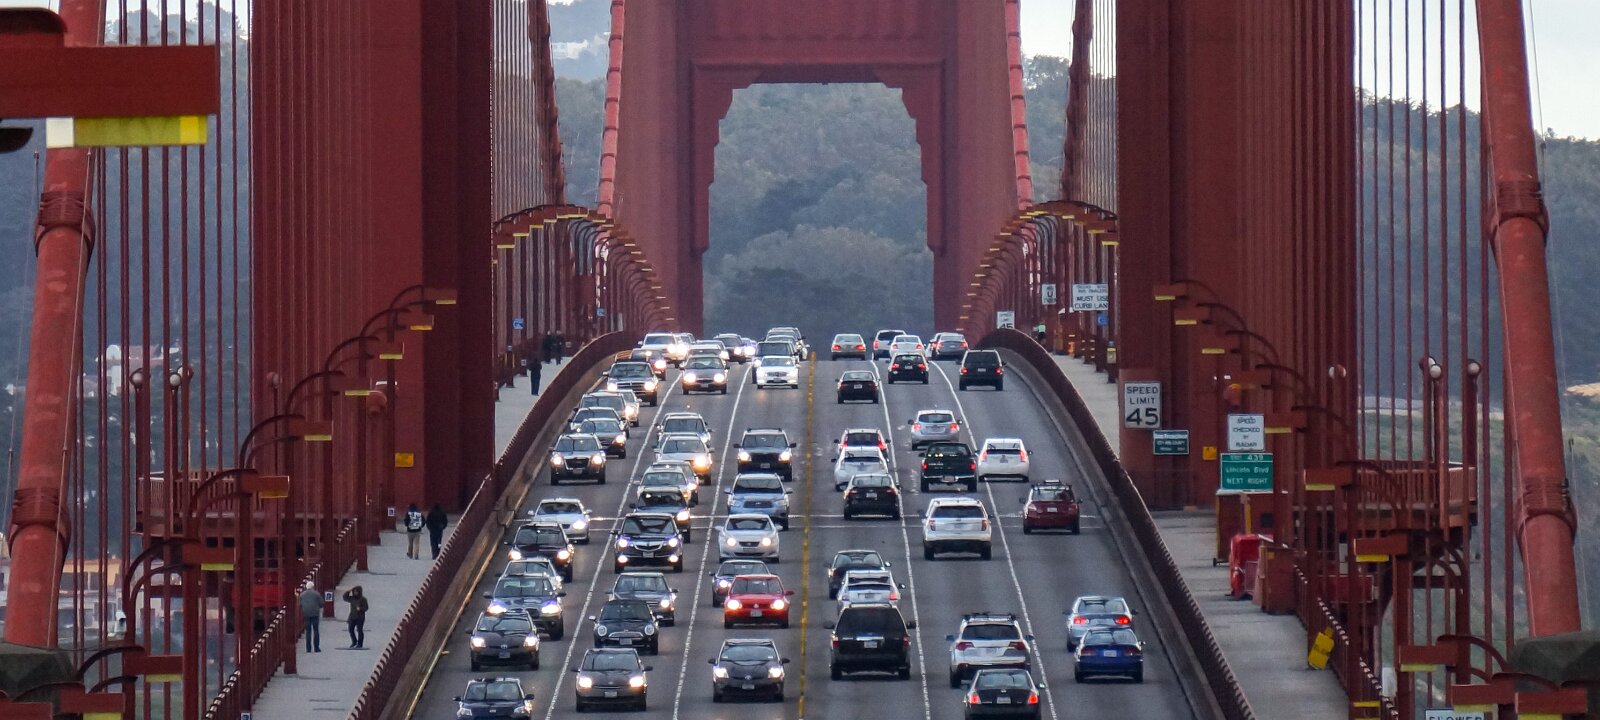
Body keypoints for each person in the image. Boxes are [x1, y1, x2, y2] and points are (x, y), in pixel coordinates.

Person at [298, 583, 322, 653]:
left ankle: (308, 648)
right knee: (316, 630)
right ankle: (316, 648)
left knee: (308, 631)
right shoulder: (316, 594)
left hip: (306, 614)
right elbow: (321, 603)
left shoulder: (302, 595)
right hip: (315, 614)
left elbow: (300, 604)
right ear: (313, 587)